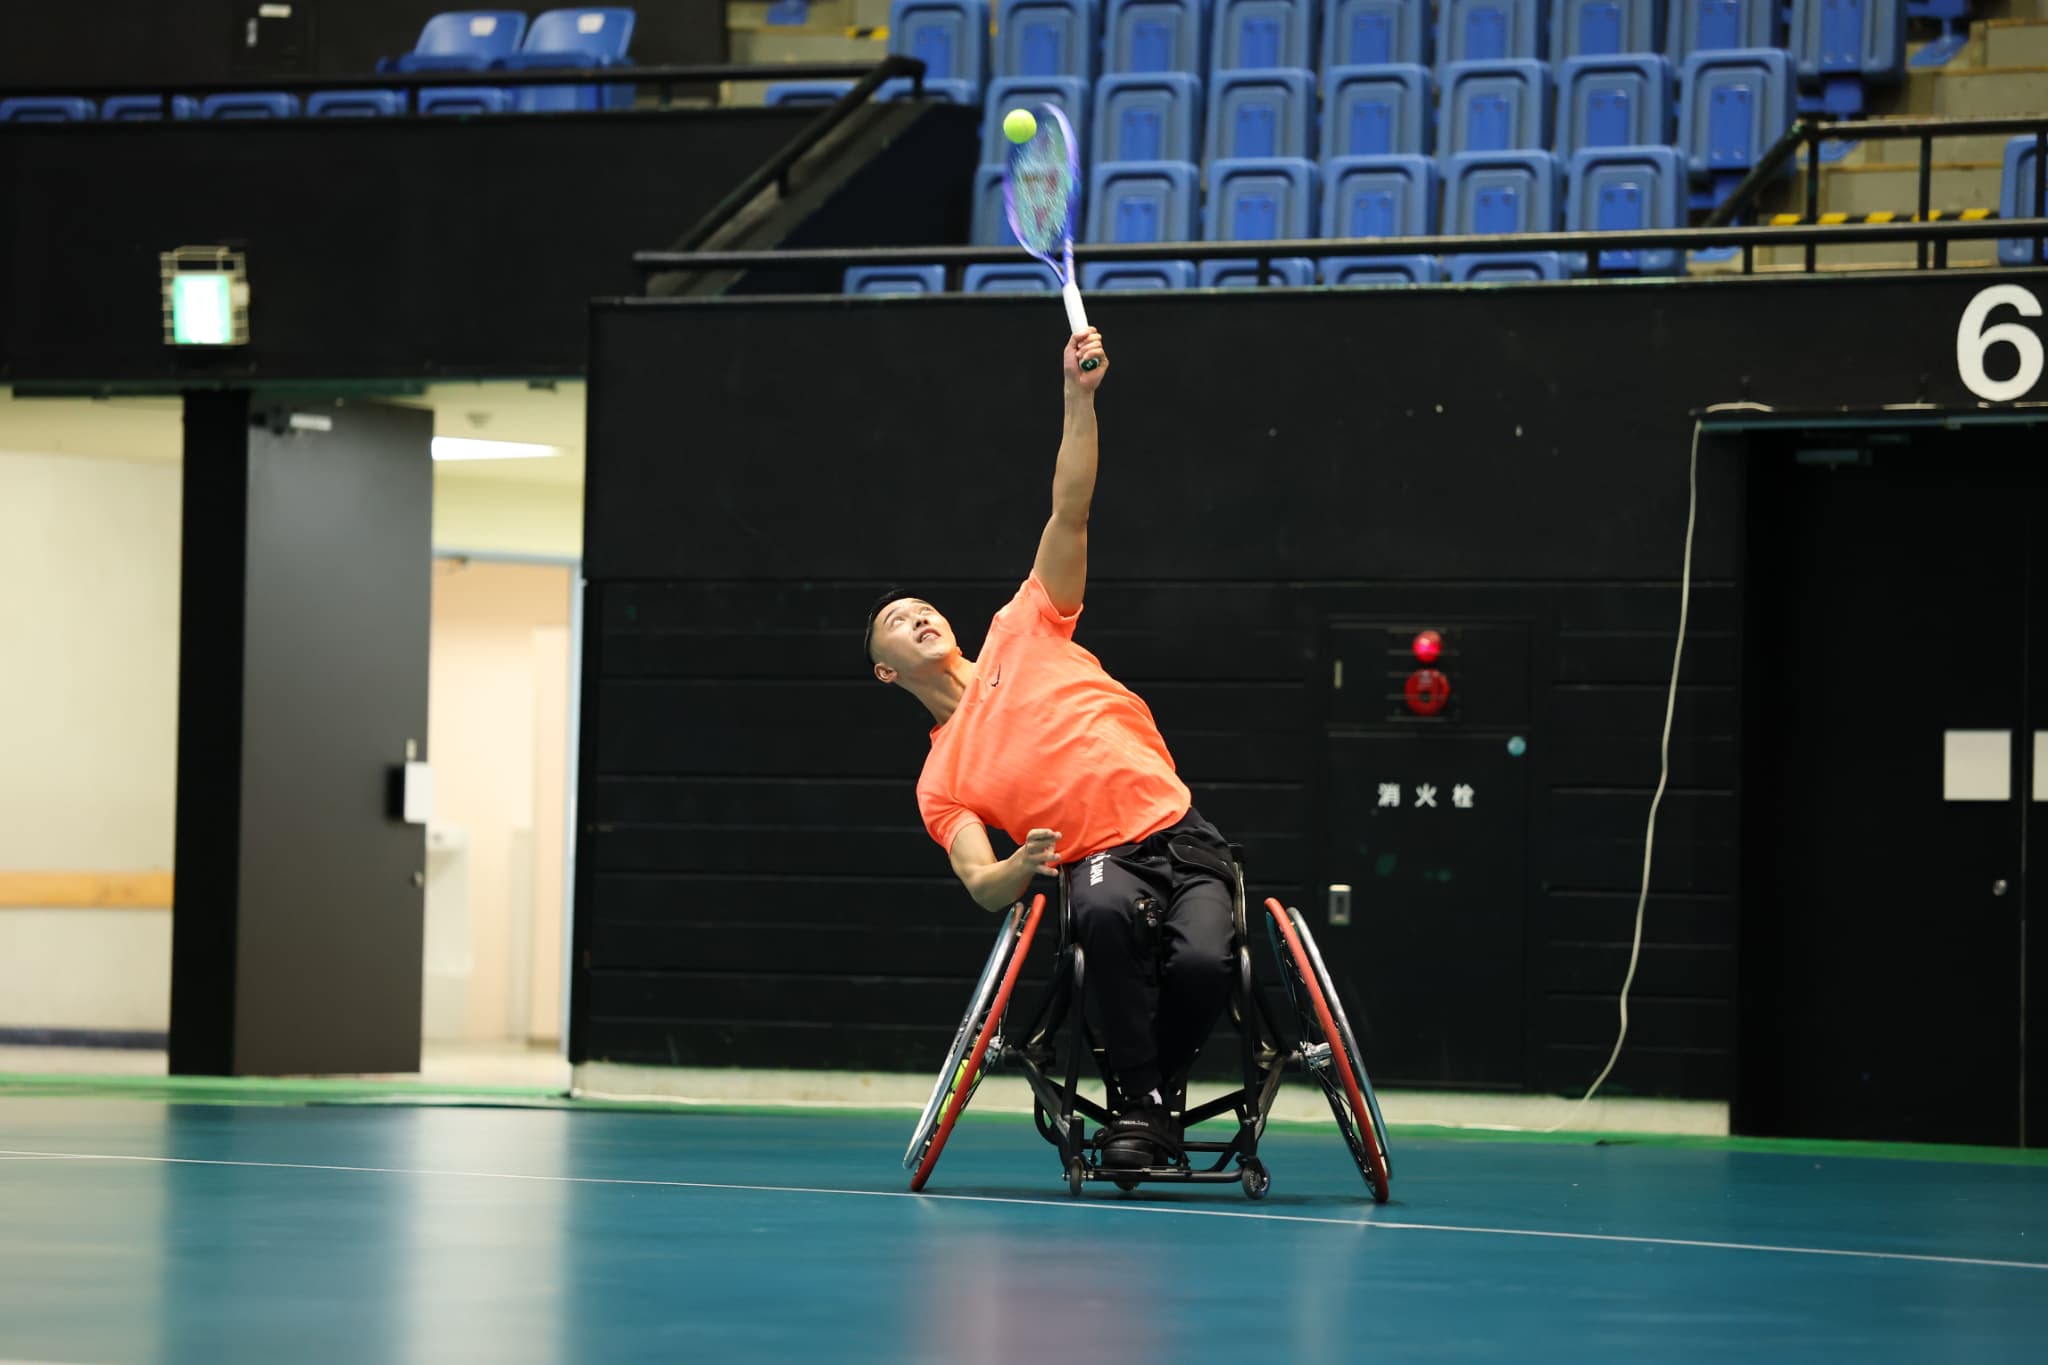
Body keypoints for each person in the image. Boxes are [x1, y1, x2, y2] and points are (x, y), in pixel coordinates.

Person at [862, 328, 1236, 1170]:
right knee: (1099, 914)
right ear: (887, 671)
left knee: (1208, 962)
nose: (919, 613)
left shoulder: (1020, 625)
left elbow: (1070, 508)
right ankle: (1138, 1104)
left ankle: (1154, 1100)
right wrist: (1022, 862)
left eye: (923, 605)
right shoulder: (941, 778)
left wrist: (1079, 396)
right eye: (897, 620)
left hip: (1181, 829)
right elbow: (981, 885)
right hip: (1099, 860)